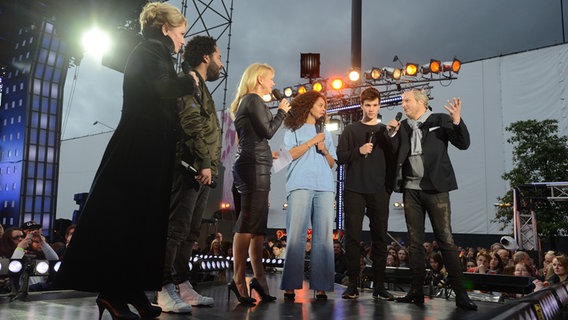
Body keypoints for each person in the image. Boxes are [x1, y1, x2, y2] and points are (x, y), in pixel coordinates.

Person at [55, 2, 197, 319]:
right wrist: (189, 80)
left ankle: (132, 290)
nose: (183, 40)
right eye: (181, 32)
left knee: (145, 224)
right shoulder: (147, 51)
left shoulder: (156, 54)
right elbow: (163, 89)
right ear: (165, 28)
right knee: (127, 221)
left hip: (151, 149)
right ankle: (112, 294)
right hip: (137, 149)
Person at [389, 89, 477, 310]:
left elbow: (463, 143)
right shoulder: (404, 127)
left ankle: (461, 294)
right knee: (415, 243)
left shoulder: (439, 119)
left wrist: (457, 121)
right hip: (411, 189)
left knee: (445, 240)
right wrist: (390, 135)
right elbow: (394, 156)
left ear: (420, 102)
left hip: (436, 189)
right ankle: (416, 291)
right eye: (402, 101)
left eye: (407, 101)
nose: (403, 105)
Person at [158, 35, 222, 313]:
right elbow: (191, 122)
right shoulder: (189, 81)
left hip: (203, 169)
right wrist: (205, 161)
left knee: (191, 232)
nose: (220, 62)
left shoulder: (202, 86)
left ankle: (182, 283)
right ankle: (163, 287)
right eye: (218, 57)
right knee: (176, 230)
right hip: (190, 167)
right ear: (206, 57)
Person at [229, 63, 291, 304]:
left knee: (257, 229)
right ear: (259, 79)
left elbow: (254, 137)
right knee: (247, 224)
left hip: (258, 165)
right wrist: (282, 111)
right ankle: (237, 280)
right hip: (252, 167)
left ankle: (259, 279)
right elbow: (267, 131)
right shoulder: (253, 99)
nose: (274, 84)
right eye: (271, 79)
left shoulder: (253, 101)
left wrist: (270, 155)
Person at [336, 87, 395, 301]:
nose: (371, 109)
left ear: (379, 106)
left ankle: (379, 285)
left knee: (380, 238)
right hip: (354, 189)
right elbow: (340, 156)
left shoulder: (384, 131)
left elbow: (394, 158)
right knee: (352, 238)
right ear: (361, 105)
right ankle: (352, 285)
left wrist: (388, 188)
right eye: (368, 105)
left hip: (379, 190)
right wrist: (358, 151)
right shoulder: (350, 130)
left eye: (375, 105)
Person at [279, 90, 337, 301]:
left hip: (324, 186)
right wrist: (312, 142)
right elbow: (287, 156)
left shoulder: (326, 132)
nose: (324, 108)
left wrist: (324, 149)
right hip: (300, 184)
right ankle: (290, 287)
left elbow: (332, 163)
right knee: (296, 236)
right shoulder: (293, 129)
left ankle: (321, 287)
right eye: (320, 104)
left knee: (323, 239)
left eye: (325, 106)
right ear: (309, 104)